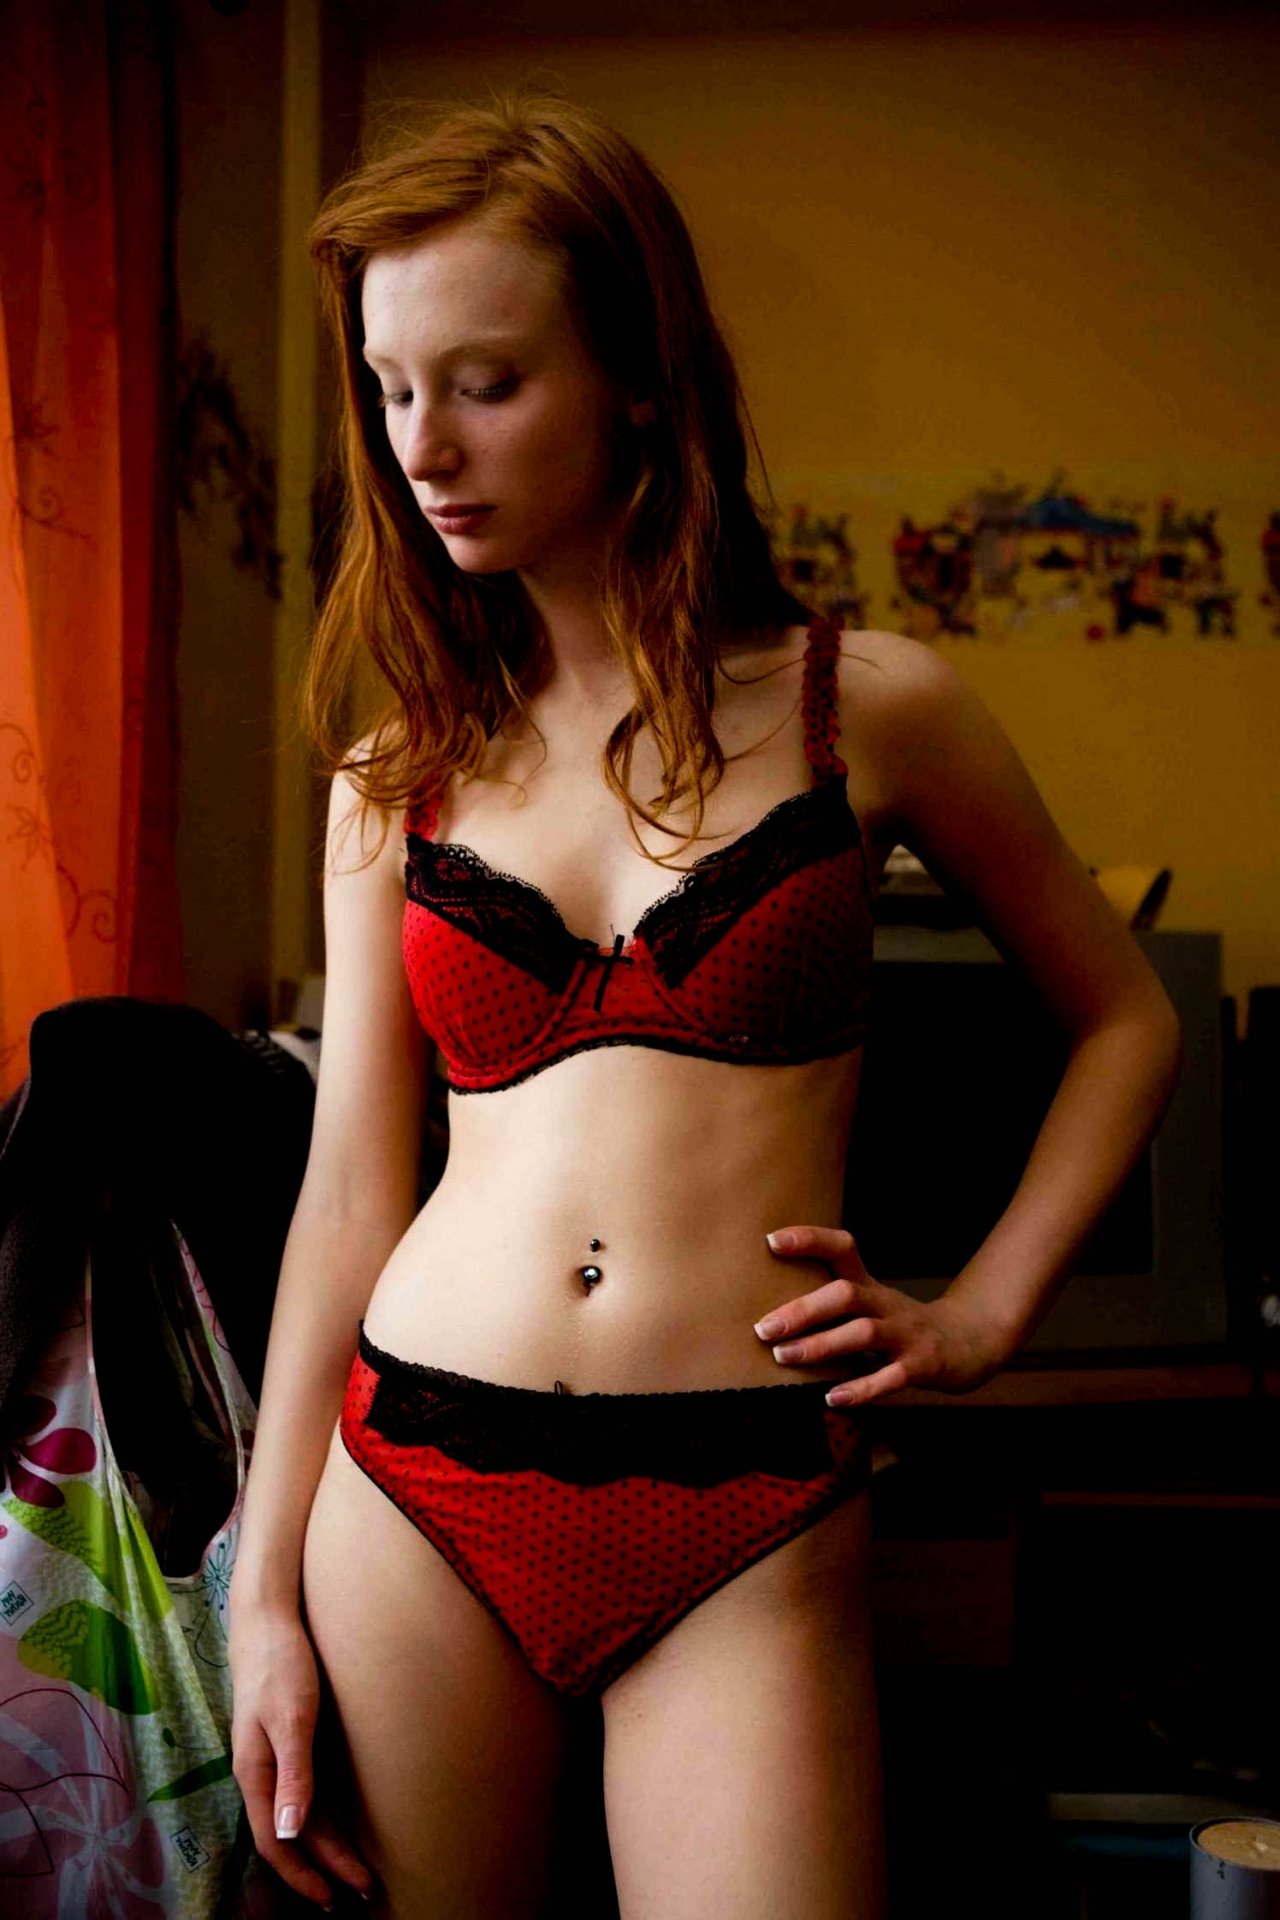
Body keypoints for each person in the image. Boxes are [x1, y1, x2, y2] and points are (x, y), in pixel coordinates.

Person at [226, 92, 1183, 1919]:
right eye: (393, 389)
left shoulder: (869, 707)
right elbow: (348, 1192)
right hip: (416, 1480)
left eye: (488, 382)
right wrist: (262, 1596)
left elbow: (1126, 1020)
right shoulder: (394, 773)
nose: (426, 446)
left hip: (747, 1493)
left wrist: (983, 1314)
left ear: (642, 381)